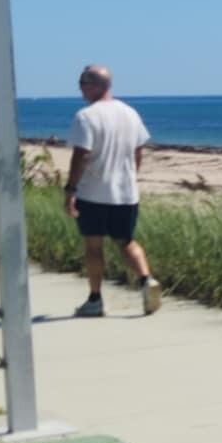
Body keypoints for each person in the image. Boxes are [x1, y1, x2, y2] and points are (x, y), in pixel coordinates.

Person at [64, 64, 159, 316]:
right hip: (126, 194)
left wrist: (70, 189)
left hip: (93, 193)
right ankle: (146, 280)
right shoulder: (130, 113)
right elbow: (138, 151)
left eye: (83, 84)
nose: (81, 89)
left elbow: (81, 155)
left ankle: (95, 299)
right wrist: (129, 177)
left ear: (94, 85)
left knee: (93, 246)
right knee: (126, 241)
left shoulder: (87, 116)